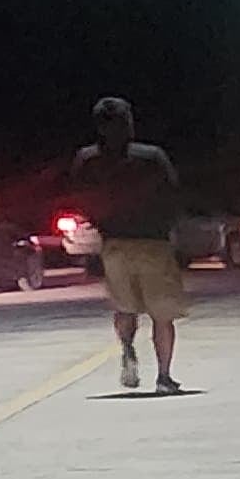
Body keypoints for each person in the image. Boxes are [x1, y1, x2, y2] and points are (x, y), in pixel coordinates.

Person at [68, 97, 188, 392]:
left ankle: (127, 349)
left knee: (125, 308)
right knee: (162, 315)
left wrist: (100, 224)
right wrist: (170, 228)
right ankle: (163, 377)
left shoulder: (87, 159)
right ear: (129, 122)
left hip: (115, 244)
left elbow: (77, 197)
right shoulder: (152, 157)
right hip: (153, 242)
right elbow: (175, 194)